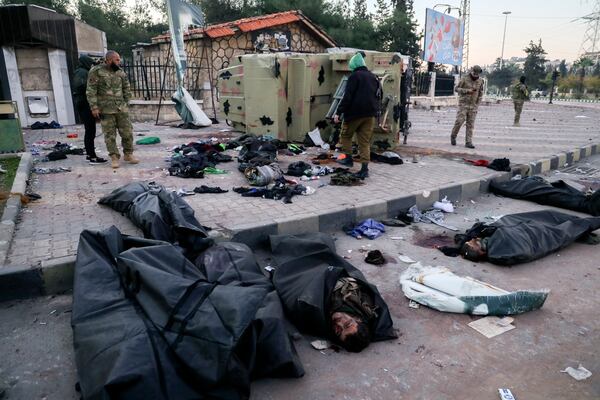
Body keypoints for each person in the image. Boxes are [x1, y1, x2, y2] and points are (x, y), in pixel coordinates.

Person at [270, 233, 396, 352]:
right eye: (347, 324)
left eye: (338, 331)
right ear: (358, 318)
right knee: (318, 245)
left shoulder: (321, 322)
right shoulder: (361, 300)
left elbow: (298, 304)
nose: (338, 323)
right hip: (318, 268)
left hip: (300, 278)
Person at [439, 210, 600, 265]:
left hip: (522, 225)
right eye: (474, 243)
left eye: (471, 240)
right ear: (481, 252)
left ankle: (585, 223)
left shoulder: (487, 241)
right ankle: (591, 223)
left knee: (550, 216)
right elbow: (521, 247)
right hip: (536, 235)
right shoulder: (500, 253)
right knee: (568, 228)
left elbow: (500, 228)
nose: (474, 239)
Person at [86, 50, 139, 169]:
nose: (119, 62)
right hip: (106, 109)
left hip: (121, 109)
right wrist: (94, 107)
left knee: (127, 132)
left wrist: (126, 102)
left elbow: (126, 87)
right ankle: (114, 157)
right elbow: (91, 91)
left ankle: (128, 154)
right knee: (110, 135)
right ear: (109, 60)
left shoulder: (120, 72)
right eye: (117, 60)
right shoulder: (96, 71)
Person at [334, 51, 381, 180]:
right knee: (364, 142)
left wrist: (339, 112)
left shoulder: (354, 77)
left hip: (355, 114)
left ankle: (348, 159)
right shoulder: (373, 77)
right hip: (370, 115)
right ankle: (364, 170)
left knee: (345, 135)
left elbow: (347, 97)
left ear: (354, 65)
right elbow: (378, 96)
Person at [72, 55, 107, 164]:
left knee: (90, 130)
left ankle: (90, 154)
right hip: (84, 103)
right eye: (90, 63)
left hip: (84, 103)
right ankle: (91, 156)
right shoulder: (81, 72)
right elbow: (81, 86)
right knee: (90, 130)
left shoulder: (83, 71)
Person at [450, 65, 485, 149]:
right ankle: (453, 136)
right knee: (459, 121)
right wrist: (467, 91)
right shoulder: (464, 78)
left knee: (470, 124)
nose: (475, 76)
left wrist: (477, 104)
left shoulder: (480, 81)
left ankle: (468, 142)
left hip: (473, 106)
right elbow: (456, 89)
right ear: (472, 71)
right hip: (463, 104)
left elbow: (480, 93)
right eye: (474, 73)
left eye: (477, 74)